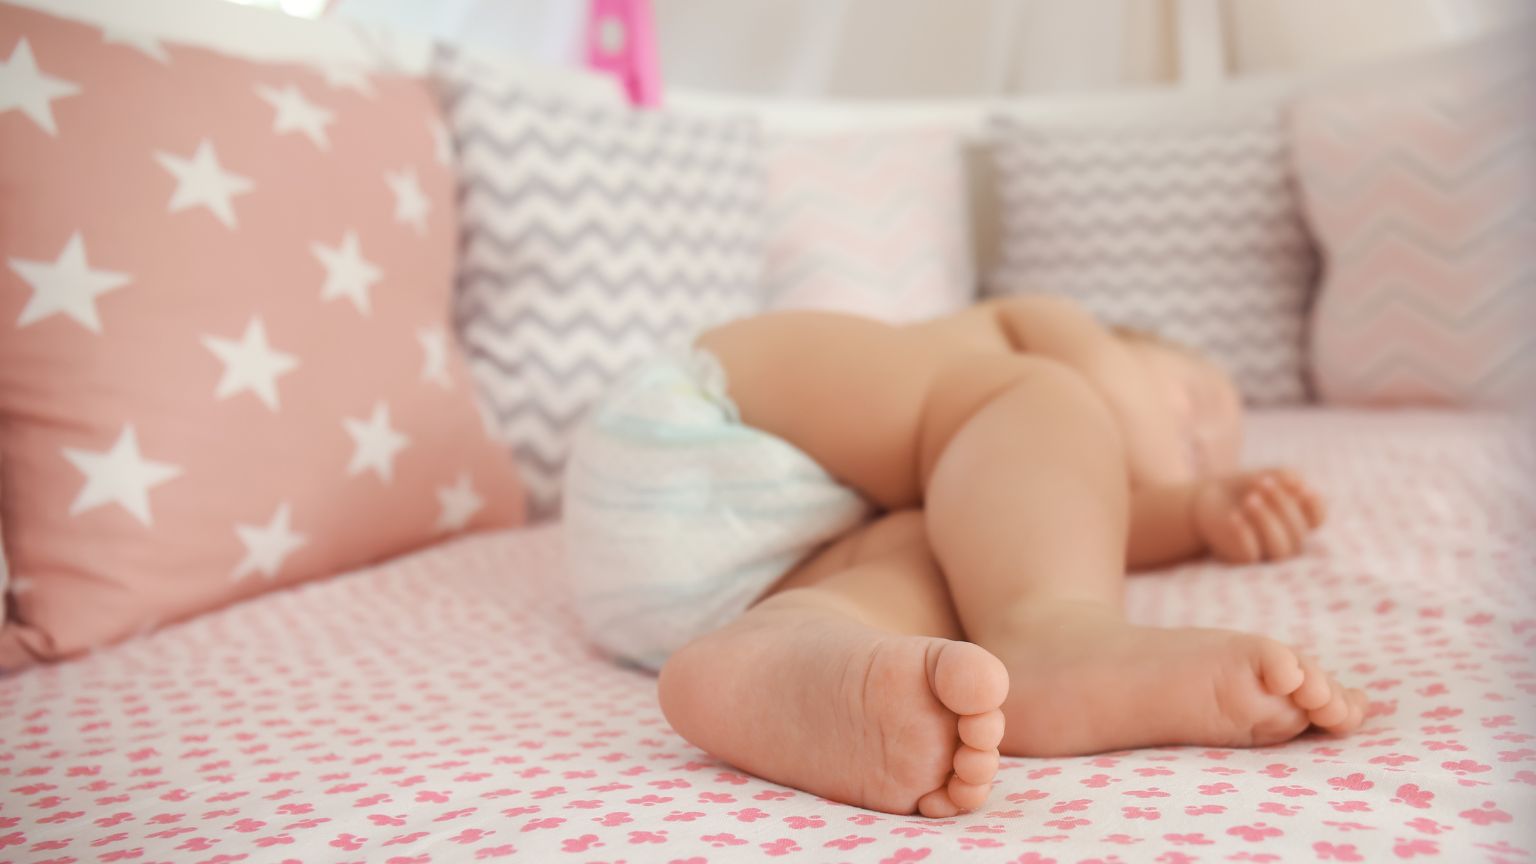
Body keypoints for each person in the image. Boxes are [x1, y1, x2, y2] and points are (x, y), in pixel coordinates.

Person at [562, 295, 1365, 819]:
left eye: (1201, 452)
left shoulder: (984, 483)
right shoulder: (1033, 331)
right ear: (1120, 346)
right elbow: (1076, 399)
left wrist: (1197, 513)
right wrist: (1176, 478)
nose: (1187, 448)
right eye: (1193, 409)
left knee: (948, 567)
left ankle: (781, 648)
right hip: (710, 407)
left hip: (682, 591)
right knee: (1031, 398)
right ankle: (1050, 632)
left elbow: (1051, 510)